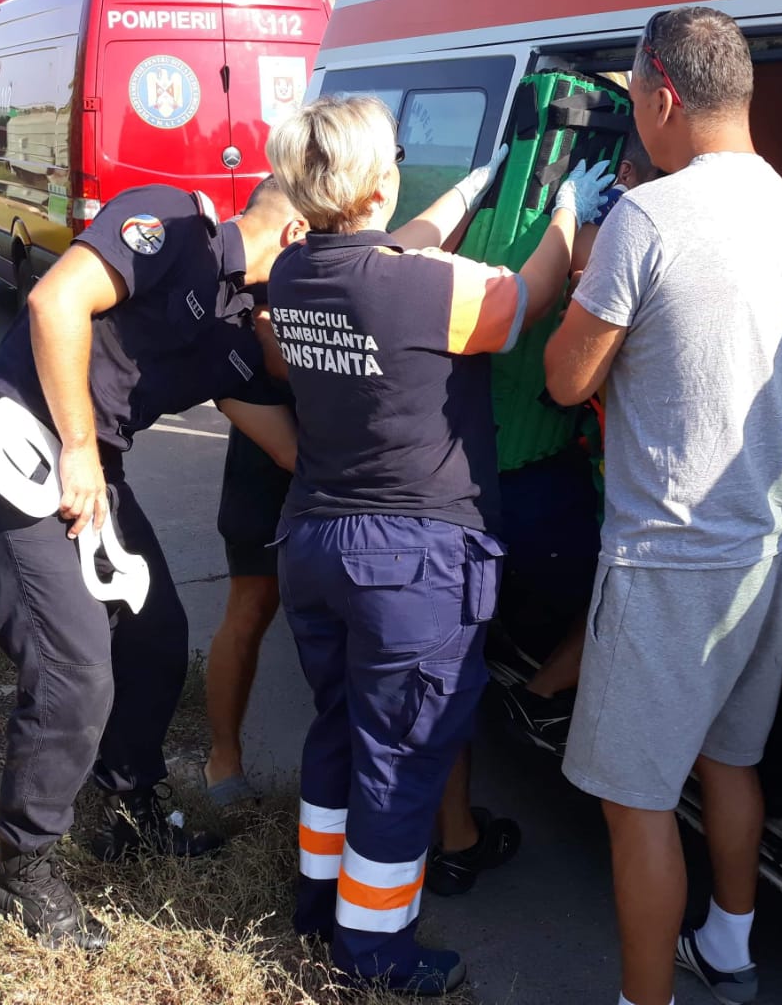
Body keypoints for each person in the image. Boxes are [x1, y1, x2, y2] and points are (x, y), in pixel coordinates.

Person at [265, 96, 609, 995]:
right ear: (381, 183)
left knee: (339, 730)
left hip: (315, 541)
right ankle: (375, 953)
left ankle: (318, 903)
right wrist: (568, 213)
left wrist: (471, 190)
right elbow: (524, 302)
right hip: (407, 561)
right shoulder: (418, 289)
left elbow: (395, 248)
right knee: (401, 760)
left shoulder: (297, 271)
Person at [543, 7, 782, 1005]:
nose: (635, 113)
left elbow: (565, 381)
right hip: (773, 544)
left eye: (634, 97)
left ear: (663, 97)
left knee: (635, 805)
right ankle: (730, 946)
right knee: (729, 761)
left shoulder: (646, 219)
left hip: (670, 558)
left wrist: (582, 265)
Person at [0, 182, 306, 950]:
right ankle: (22, 866)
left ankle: (124, 811)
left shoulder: (238, 327)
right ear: (297, 232)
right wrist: (80, 448)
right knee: (74, 668)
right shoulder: (172, 224)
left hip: (91, 470)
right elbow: (54, 302)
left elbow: (287, 448)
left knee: (155, 636)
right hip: (22, 448)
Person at [494, 126, 664, 755]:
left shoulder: (623, 235)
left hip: (612, 442)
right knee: (616, 582)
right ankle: (543, 698)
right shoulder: (618, 234)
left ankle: (542, 694)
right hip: (611, 443)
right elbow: (564, 380)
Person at [203, 181, 296, 806]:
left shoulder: (340, 258)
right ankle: (222, 759)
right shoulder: (244, 287)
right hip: (267, 461)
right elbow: (263, 368)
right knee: (252, 607)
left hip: (330, 461)